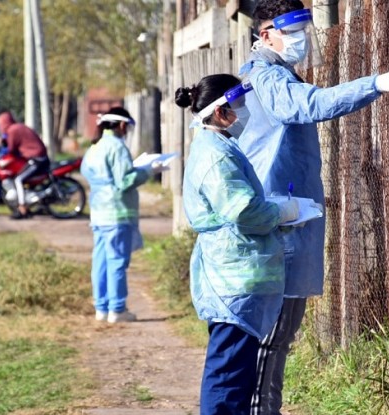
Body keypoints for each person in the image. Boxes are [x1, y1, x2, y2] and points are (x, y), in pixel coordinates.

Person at [237, 1, 389, 413]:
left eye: (305, 29)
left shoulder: (275, 73)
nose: (303, 39)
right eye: (294, 31)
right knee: (272, 338)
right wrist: (378, 83)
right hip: (278, 228)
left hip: (283, 221)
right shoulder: (267, 76)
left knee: (277, 339)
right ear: (266, 34)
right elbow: (308, 105)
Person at [176, 74, 301, 415]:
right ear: (220, 113)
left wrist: (274, 210)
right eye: (240, 106)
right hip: (233, 281)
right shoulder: (216, 154)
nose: (245, 113)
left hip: (237, 277)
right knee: (229, 375)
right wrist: (283, 211)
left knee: (237, 374)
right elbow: (243, 210)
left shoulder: (219, 146)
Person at [80, 107, 164, 324]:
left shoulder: (95, 147)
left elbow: (87, 172)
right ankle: (117, 309)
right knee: (117, 261)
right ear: (122, 125)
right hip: (118, 213)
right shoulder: (118, 147)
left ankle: (102, 308)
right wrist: (148, 171)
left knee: (100, 261)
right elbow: (124, 181)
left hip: (98, 214)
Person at [0, 111, 49, 219]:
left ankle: (22, 208)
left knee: (18, 180)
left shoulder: (12, 130)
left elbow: (11, 149)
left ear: (5, 123)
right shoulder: (18, 127)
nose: (0, 128)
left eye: (0, 124)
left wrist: (0, 145)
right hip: (36, 157)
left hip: (37, 159)